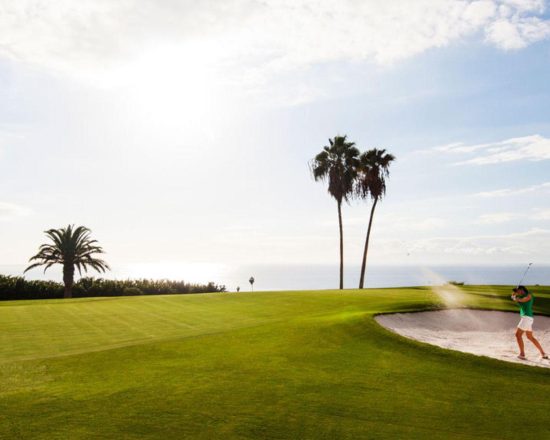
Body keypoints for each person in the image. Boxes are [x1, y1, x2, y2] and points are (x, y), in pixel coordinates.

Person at [511, 285, 548, 361]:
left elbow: (524, 299)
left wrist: (515, 297)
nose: (517, 292)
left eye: (517, 291)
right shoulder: (519, 297)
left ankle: (522, 354)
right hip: (527, 318)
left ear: (521, 290)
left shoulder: (529, 294)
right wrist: (513, 295)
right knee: (530, 337)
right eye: (516, 291)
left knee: (518, 335)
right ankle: (543, 353)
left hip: (526, 318)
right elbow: (514, 298)